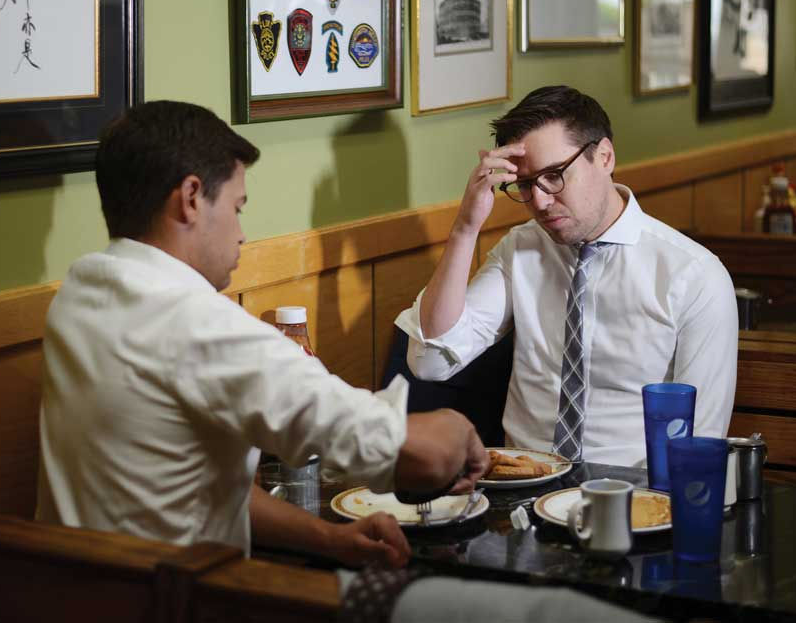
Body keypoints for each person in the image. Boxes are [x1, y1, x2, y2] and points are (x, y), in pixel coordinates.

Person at [35, 100, 488, 568]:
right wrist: (459, 428)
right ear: (191, 197)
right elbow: (422, 458)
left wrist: (331, 539)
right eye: (236, 207)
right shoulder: (201, 326)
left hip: (69, 592)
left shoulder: (78, 297)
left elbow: (204, 491)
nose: (241, 235)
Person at [396, 86, 737, 466]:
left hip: (631, 494)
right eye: (525, 185)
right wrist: (465, 227)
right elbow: (430, 362)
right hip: (523, 483)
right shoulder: (521, 249)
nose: (540, 202)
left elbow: (700, 441)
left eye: (555, 175)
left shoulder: (694, 276)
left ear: (604, 156)